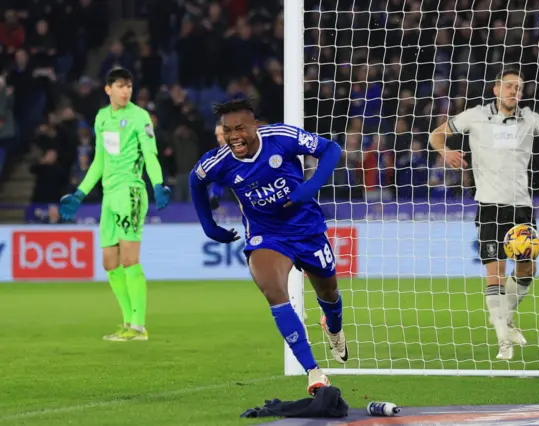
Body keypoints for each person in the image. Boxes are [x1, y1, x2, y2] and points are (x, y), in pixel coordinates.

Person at [189, 99, 345, 395]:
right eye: (227, 130)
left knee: (329, 292)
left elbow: (331, 149)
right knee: (274, 290)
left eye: (239, 129)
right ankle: (314, 371)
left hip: (307, 230)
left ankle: (333, 327)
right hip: (266, 236)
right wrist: (209, 226)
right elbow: (195, 181)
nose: (233, 136)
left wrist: (309, 188)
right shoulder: (219, 160)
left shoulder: (281, 138)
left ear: (255, 126)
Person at [429, 67, 539, 360]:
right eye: (509, 86)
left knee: (527, 269)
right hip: (490, 206)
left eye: (519, 88)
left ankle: (505, 319)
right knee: (494, 273)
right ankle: (503, 342)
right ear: (496, 89)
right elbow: (436, 135)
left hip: (522, 206)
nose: (514, 91)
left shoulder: (529, 119)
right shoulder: (475, 116)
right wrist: (445, 152)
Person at [59, 68, 171, 342]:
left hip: (130, 191)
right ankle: (126, 322)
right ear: (108, 89)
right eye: (120, 86)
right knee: (110, 263)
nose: (126, 91)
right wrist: (80, 193)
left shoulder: (139, 117)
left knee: (130, 259)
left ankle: (138, 327)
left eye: (129, 86)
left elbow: (150, 155)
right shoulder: (101, 118)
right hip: (109, 196)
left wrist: (158, 184)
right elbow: (99, 161)